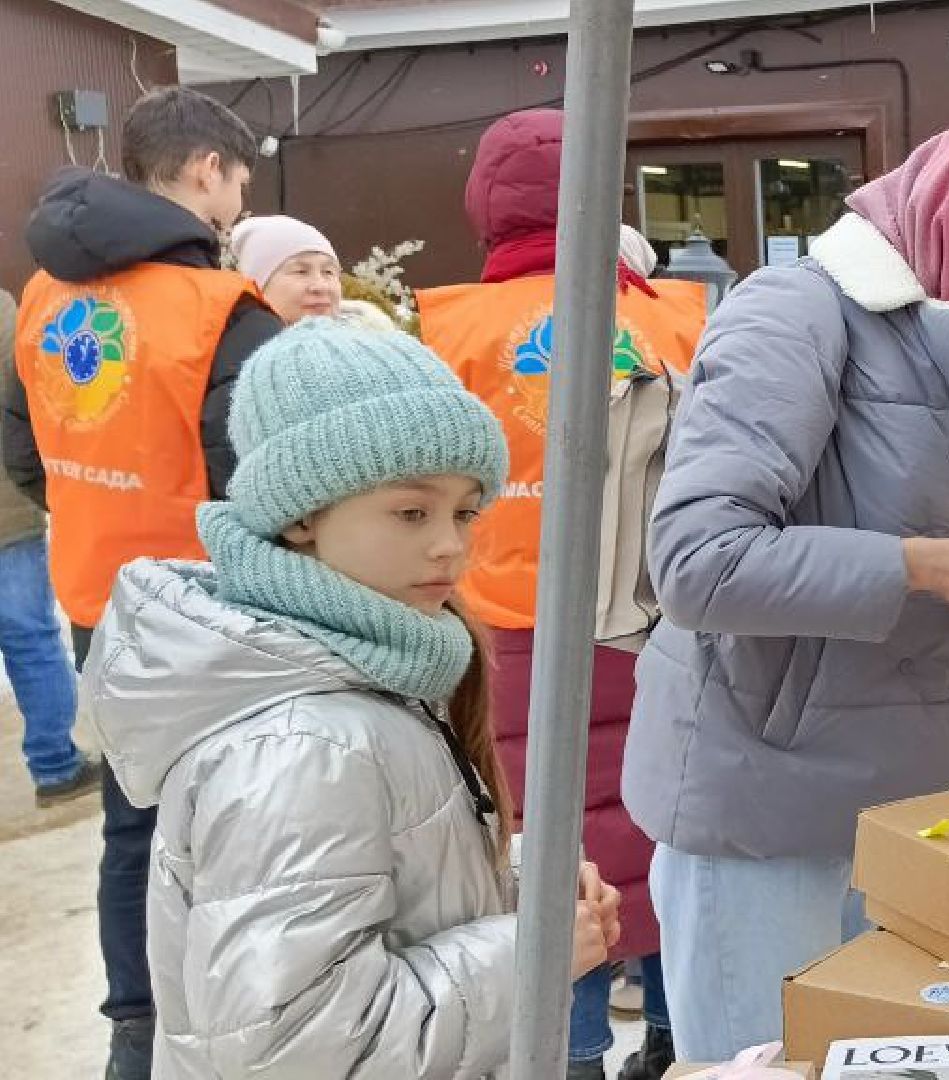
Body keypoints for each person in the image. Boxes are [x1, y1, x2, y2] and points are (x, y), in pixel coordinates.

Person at [623, 121, 949, 1059]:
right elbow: (696, 558)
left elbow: (860, 554)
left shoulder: (935, 346)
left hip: (888, 815)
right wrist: (927, 566)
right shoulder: (794, 314)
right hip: (765, 814)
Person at [81, 319, 623, 1078]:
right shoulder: (302, 746)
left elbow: (379, 885)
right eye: (412, 512)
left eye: (465, 511)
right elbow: (295, 1049)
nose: (451, 546)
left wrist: (519, 883)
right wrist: (533, 950)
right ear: (302, 515)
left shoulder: (363, 671)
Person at [416, 107, 710, 1080]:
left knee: (546, 846)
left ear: (487, 209)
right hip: (650, 620)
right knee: (661, 826)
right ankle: (674, 1034)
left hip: (502, 637)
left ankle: (573, 1047)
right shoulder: (670, 316)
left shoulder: (443, 331)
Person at [4, 84, 283, 1080]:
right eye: (239, 179)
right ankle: (244, 1018)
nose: (238, 203)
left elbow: (26, 450)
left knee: (134, 825)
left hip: (99, 599)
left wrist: (95, 508)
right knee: (249, 823)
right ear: (206, 167)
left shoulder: (44, 295)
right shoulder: (219, 310)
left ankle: (137, 1031)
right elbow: (268, 484)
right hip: (213, 608)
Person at [0, 290, 97, 805]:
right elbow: (29, 404)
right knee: (31, 640)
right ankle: (55, 768)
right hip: (7, 514)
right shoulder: (4, 314)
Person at [227, 215, 342, 325]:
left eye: (328, 272)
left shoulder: (355, 338)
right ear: (257, 286)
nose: (321, 286)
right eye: (301, 271)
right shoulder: (239, 343)